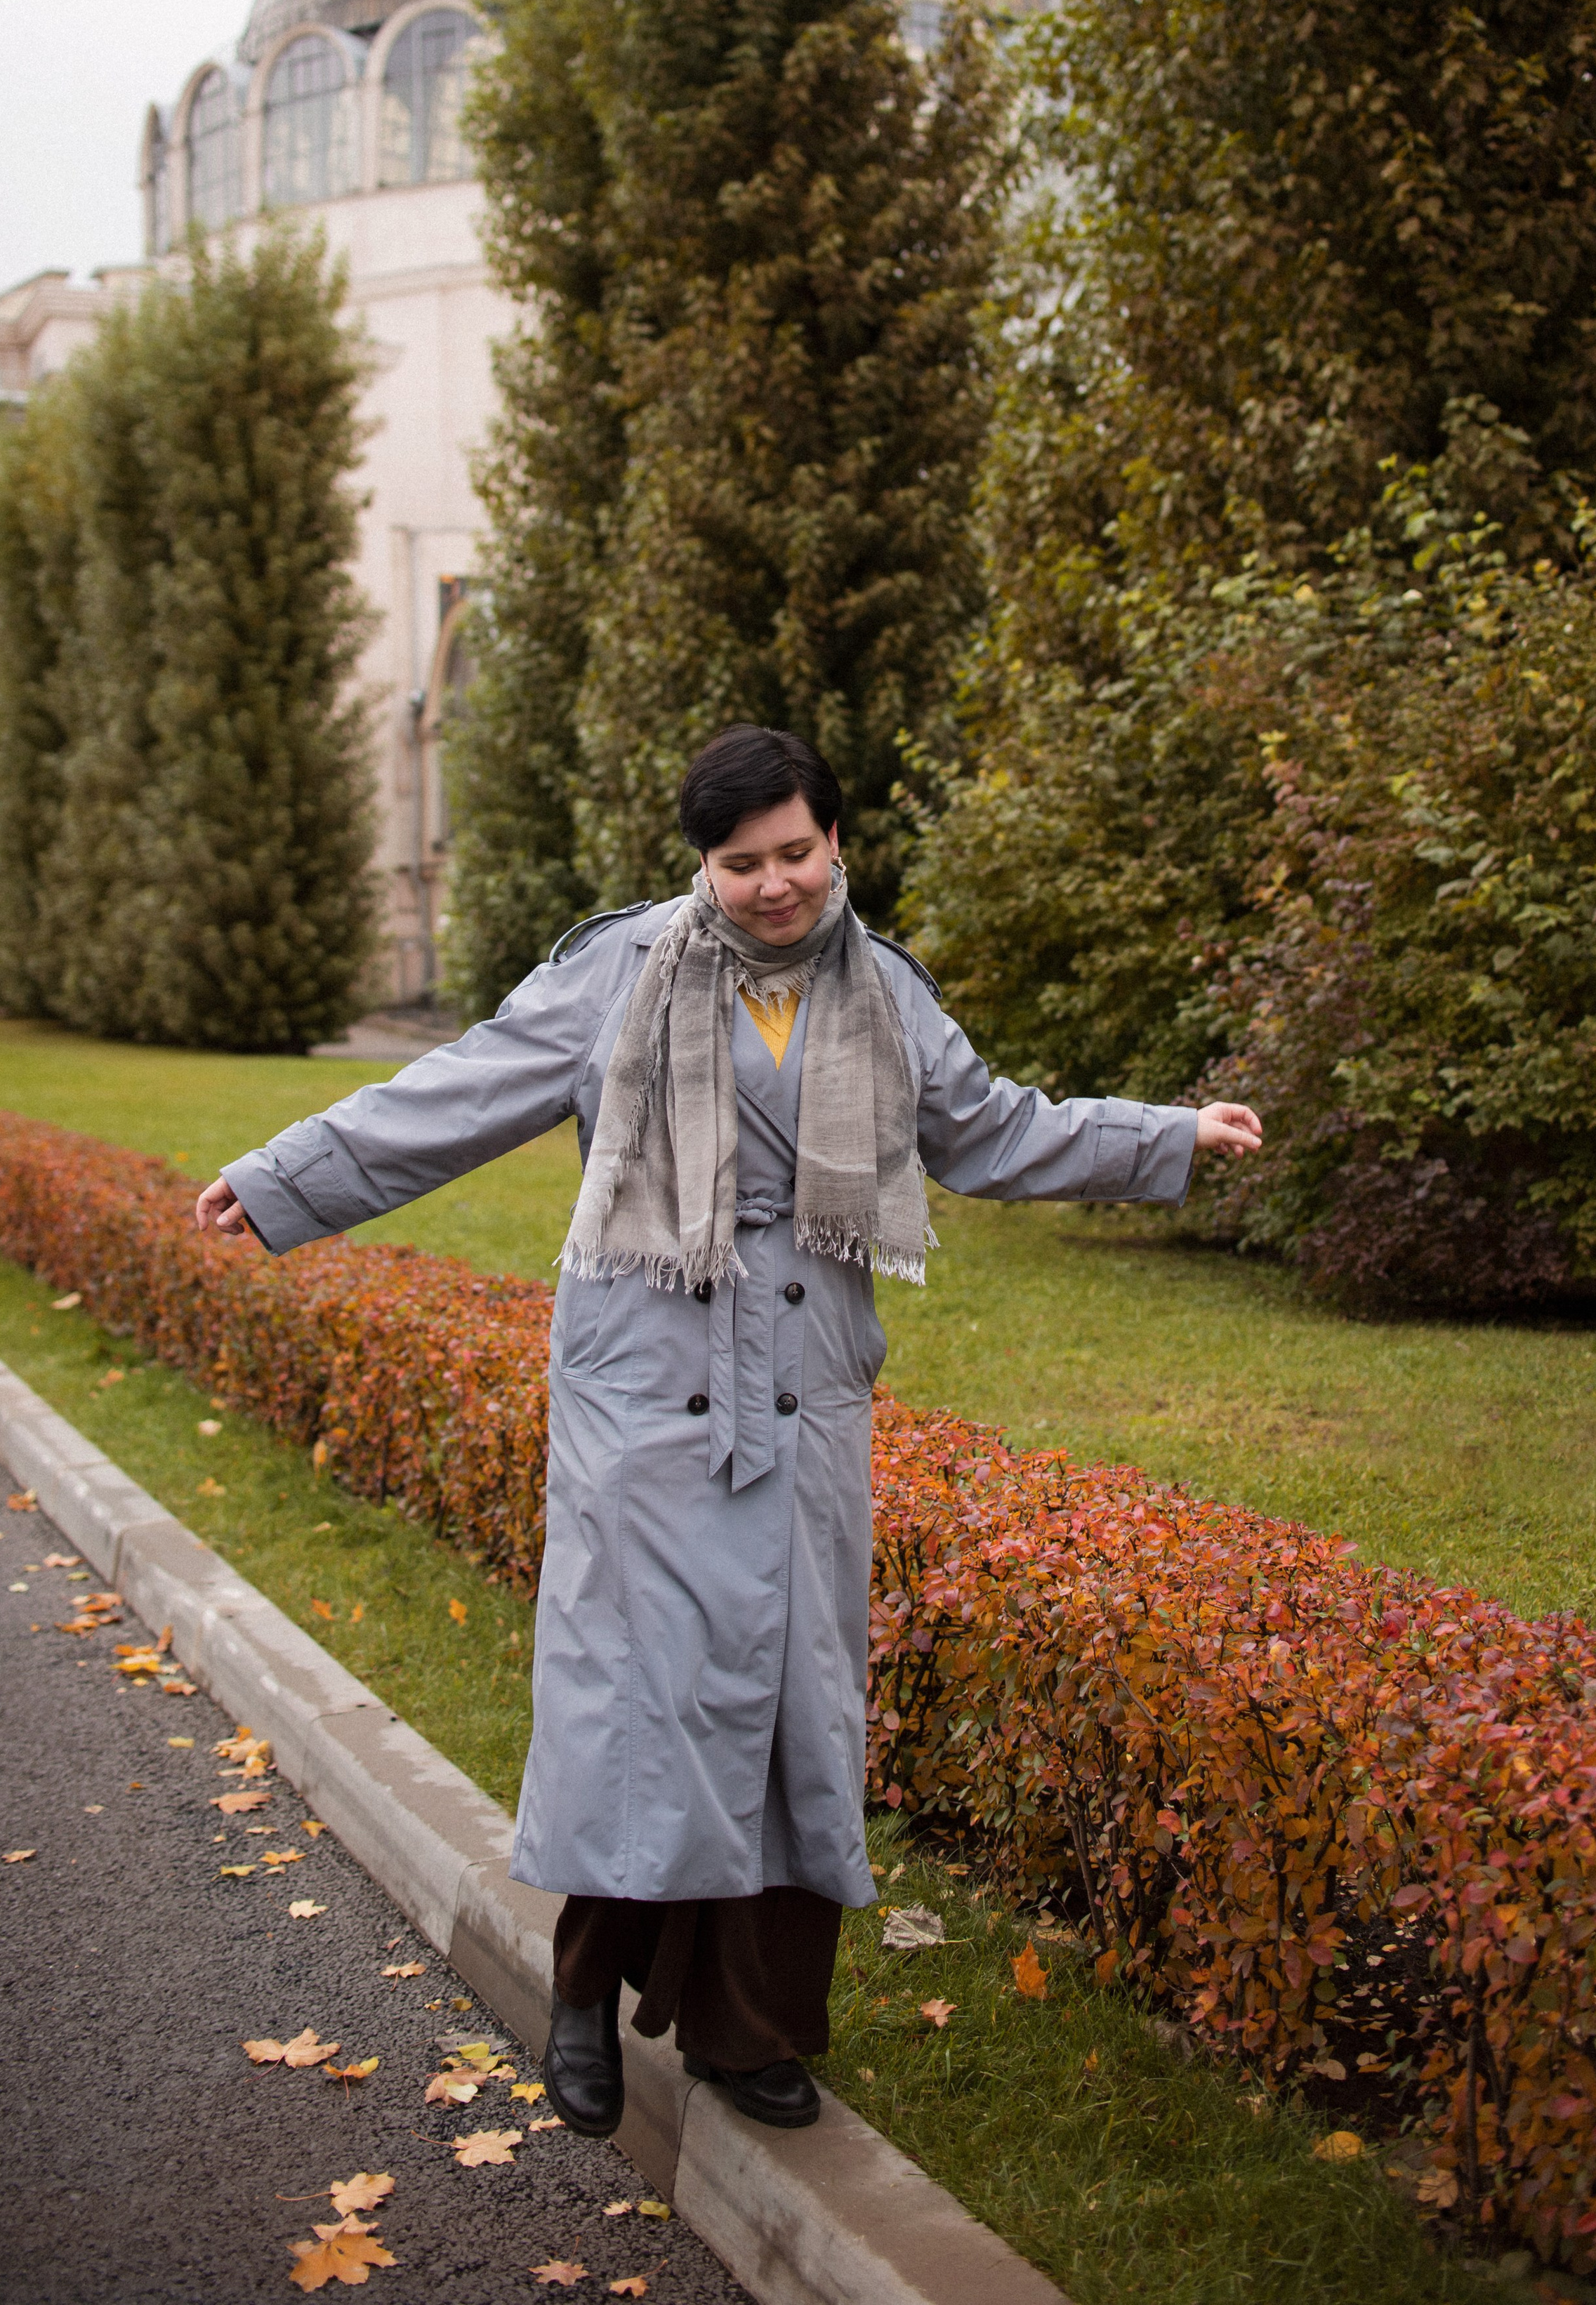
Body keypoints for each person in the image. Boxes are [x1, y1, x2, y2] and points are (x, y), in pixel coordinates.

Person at [195, 724, 1261, 2134]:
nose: (772, 886)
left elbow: (990, 1129)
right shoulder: (615, 971)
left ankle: (747, 2029)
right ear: (702, 861)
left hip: (805, 1396)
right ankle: (584, 1987)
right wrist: (284, 1181)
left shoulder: (881, 990)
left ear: (837, 842)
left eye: (795, 853)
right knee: (639, 1705)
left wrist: (1166, 1138)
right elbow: (453, 1094)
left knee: (783, 1719)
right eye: (740, 860)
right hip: (643, 1392)